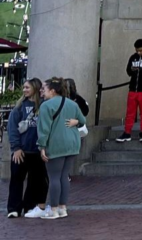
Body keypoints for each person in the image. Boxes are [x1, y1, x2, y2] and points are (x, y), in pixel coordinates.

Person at [36, 77, 86, 220]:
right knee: (64, 176)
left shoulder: (46, 106)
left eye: (44, 90)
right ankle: (63, 207)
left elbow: (44, 129)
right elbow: (83, 120)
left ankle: (53, 209)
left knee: (54, 178)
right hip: (72, 144)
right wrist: (75, 121)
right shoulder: (72, 104)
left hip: (56, 144)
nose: (43, 93)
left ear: (52, 90)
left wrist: (42, 146)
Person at [7, 78, 47, 219]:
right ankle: (14, 208)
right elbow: (12, 128)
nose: (24, 90)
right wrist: (16, 147)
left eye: (27, 88)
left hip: (37, 151)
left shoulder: (44, 106)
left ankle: (29, 206)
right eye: (23, 87)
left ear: (35, 89)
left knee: (35, 181)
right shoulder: (19, 107)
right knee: (17, 179)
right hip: (21, 150)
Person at [116, 38, 142, 143]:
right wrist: (132, 69)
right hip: (133, 90)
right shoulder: (133, 58)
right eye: (137, 50)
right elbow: (128, 71)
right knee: (130, 113)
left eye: (141, 50)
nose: (139, 52)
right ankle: (127, 133)